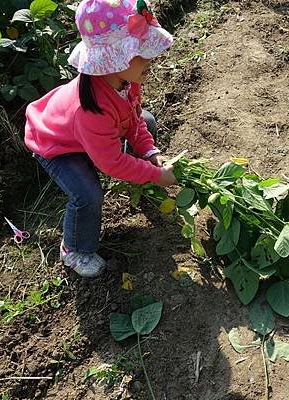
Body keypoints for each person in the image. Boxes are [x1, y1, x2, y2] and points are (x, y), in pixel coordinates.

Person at [24, 0, 177, 278]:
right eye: (140, 53)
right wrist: (156, 175)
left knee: (149, 122)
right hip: (57, 146)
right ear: (114, 60)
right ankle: (74, 249)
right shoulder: (90, 109)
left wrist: (150, 152)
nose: (150, 58)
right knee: (87, 194)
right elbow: (112, 163)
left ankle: (143, 181)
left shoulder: (126, 82)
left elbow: (135, 120)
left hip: (86, 137)